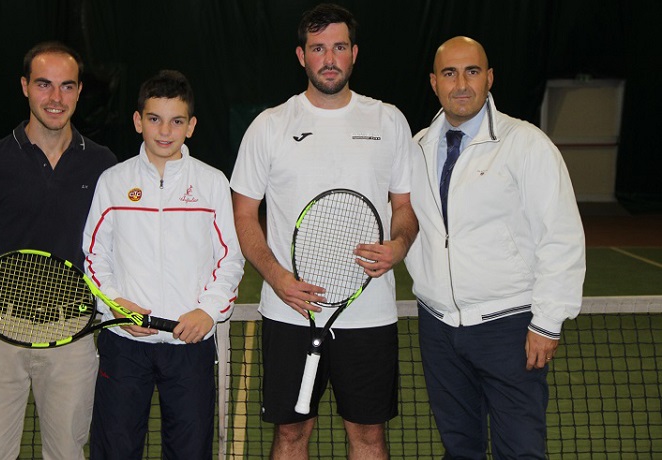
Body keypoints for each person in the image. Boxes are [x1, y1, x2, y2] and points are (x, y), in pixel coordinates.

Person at [230, 4, 417, 459]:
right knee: (291, 436)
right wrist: (276, 278)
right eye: (318, 48)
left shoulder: (388, 120)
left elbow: (406, 208)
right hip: (290, 312)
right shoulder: (270, 126)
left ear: (354, 53)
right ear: (301, 56)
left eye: (338, 47)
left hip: (368, 313)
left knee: (369, 437)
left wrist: (399, 244)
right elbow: (243, 214)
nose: (329, 58)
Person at [404, 36, 586, 459]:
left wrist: (547, 322)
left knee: (520, 451)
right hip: (438, 329)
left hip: (509, 328)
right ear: (434, 82)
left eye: (472, 71)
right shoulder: (416, 147)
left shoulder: (526, 144)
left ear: (489, 78)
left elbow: (561, 236)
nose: (461, 83)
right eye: (450, 73)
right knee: (459, 449)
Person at [0, 41, 117, 459]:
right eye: (44, 85)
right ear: (25, 86)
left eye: (66, 86)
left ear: (79, 92)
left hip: (71, 335)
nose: (55, 98)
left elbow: (112, 249)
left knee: (66, 452)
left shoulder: (103, 165)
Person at [83, 69, 244, 459]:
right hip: (125, 345)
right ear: (139, 121)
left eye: (176, 121)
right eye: (154, 119)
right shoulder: (113, 181)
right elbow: (93, 258)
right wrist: (117, 307)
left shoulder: (212, 183)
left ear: (191, 126)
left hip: (189, 347)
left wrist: (208, 312)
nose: (164, 131)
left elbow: (231, 259)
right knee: (115, 451)